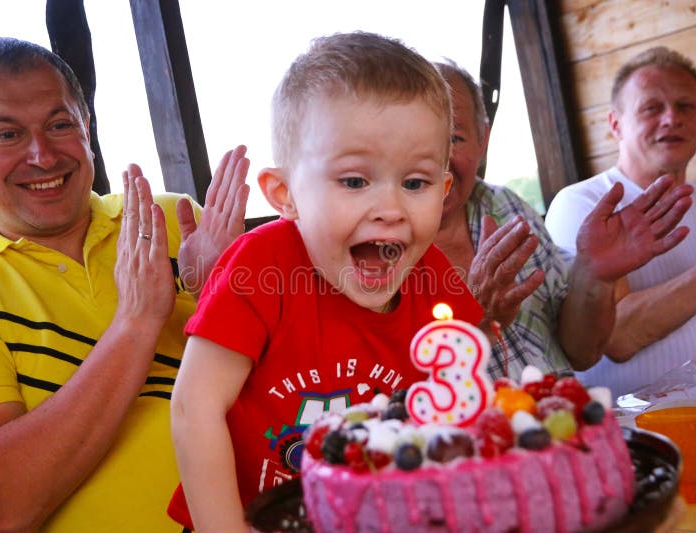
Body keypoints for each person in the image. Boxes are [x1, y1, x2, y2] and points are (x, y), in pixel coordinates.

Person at [167, 32, 486, 531]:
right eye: (355, 181)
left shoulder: (439, 288)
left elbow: (456, 415)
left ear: (444, 191)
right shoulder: (260, 268)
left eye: (415, 183)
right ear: (285, 194)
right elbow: (194, 407)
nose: (390, 210)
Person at [0, 37, 249, 532]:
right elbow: (0, 507)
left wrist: (230, 292)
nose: (42, 155)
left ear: (87, 129)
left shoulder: (172, 220)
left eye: (60, 125)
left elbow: (308, 379)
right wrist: (138, 321)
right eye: (6, 135)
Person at [433, 60, 694, 381]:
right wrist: (475, 323)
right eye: (416, 136)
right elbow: (391, 407)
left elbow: (581, 353)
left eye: (455, 138)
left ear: (482, 140)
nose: (436, 158)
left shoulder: (505, 207)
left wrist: (595, 275)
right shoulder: (371, 248)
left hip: (564, 424)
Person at [545, 46, 696, 398]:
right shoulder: (583, 203)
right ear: (616, 124)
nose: (671, 118)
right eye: (652, 108)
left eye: (685, 106)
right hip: (639, 435)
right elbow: (617, 335)